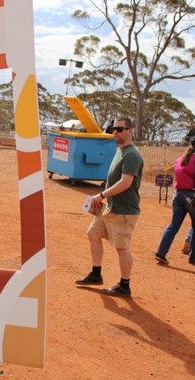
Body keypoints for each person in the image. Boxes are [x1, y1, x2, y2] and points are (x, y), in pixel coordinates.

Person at [75, 117, 143, 297]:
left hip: (124, 211)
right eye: (114, 129)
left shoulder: (132, 155)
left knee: (122, 247)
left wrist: (102, 195)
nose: (115, 132)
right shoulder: (120, 151)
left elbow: (126, 182)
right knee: (93, 234)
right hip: (110, 208)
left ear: (130, 131)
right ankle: (96, 274)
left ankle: (124, 285)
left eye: (120, 129)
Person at [154, 135, 195, 265]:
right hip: (193, 197)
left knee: (174, 225)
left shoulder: (180, 159)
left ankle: (161, 252)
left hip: (178, 195)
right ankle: (194, 257)